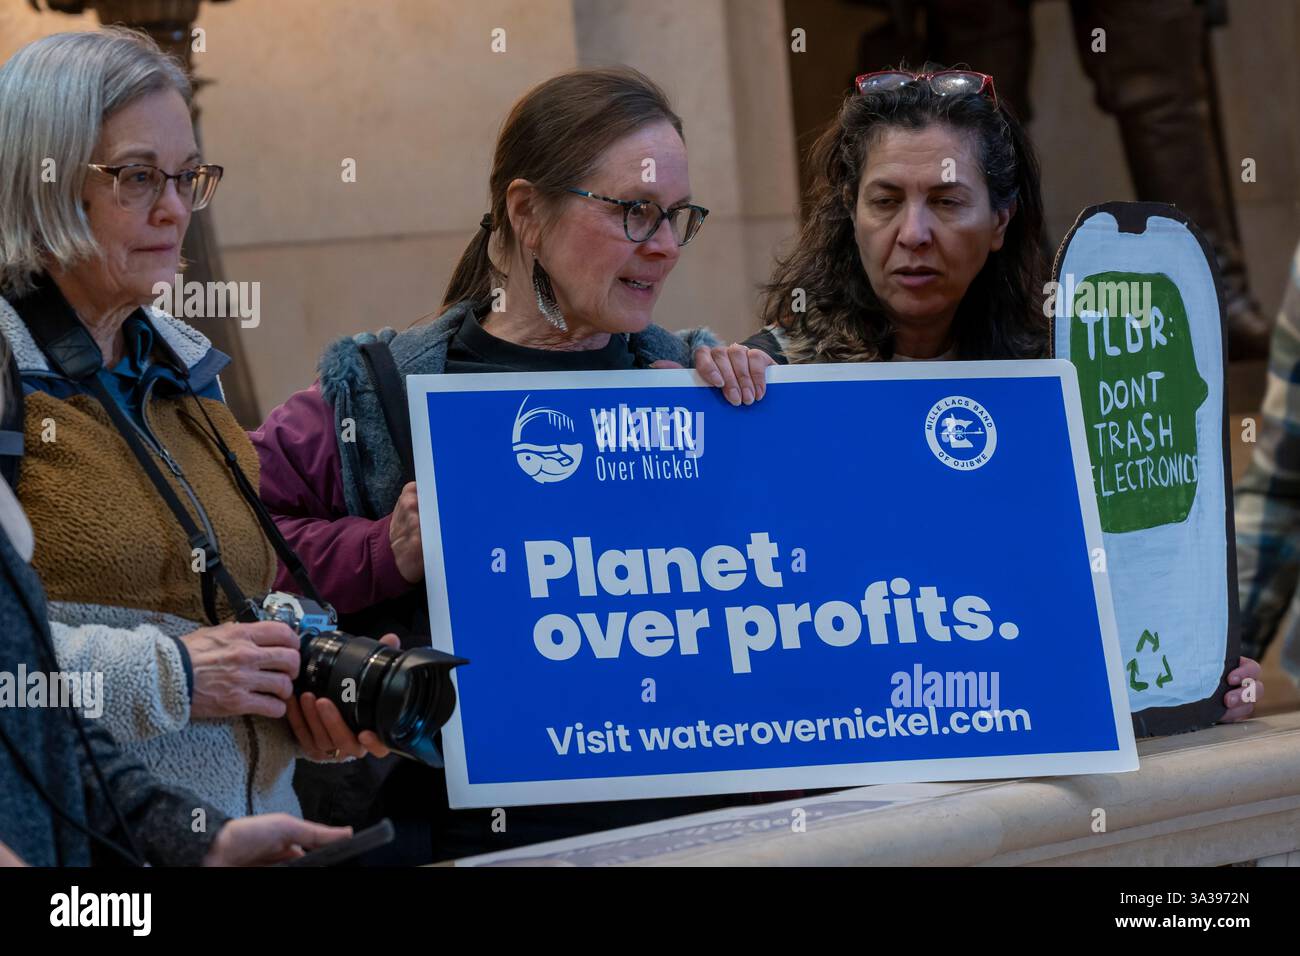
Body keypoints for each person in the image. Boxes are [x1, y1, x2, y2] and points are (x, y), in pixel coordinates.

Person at [250, 67, 772, 860]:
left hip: (688, 829)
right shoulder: (372, 394)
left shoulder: (692, 384)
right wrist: (383, 553)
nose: (665, 246)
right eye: (635, 212)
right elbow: (224, 559)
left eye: (679, 217)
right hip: (460, 831)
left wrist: (748, 438)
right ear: (527, 212)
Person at [696, 67, 1261, 721]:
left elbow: (1115, 602)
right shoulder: (771, 383)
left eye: (945, 201)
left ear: (1000, 219)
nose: (913, 233)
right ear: (849, 211)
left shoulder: (1063, 384)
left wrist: (1192, 678)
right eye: (885, 200)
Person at [0, 28, 391, 822]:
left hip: (254, 832)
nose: (176, 210)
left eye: (187, 177)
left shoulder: (186, 374)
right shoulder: (7, 374)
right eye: (137, 177)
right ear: (39, 178)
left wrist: (298, 669)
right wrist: (172, 676)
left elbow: (221, 609)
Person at [0, 395, 353, 864]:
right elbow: (20, 690)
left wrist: (205, 843)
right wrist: (173, 675)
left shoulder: (186, 371)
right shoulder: (21, 387)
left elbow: (58, 737)